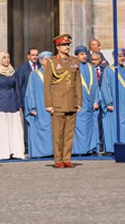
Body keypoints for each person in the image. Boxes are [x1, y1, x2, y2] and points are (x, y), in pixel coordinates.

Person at [44, 34, 81, 168]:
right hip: (58, 102)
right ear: (58, 47)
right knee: (58, 133)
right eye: (64, 45)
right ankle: (58, 159)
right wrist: (48, 104)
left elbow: (78, 82)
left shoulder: (74, 61)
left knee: (69, 133)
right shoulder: (52, 62)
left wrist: (79, 102)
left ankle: (67, 158)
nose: (67, 47)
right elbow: (47, 85)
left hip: (71, 101)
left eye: (68, 45)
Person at [104, 48, 125, 144]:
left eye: (123, 56)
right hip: (116, 103)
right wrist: (108, 102)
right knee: (118, 126)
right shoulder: (109, 70)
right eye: (119, 56)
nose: (122, 58)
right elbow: (105, 87)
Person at [24, 50, 54, 158]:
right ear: (41, 61)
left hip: (53, 106)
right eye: (46, 59)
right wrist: (32, 107)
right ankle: (41, 152)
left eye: (50, 59)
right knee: (41, 129)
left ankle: (53, 151)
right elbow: (30, 91)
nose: (49, 61)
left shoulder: (55, 73)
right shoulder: (34, 74)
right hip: (40, 106)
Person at [73, 45, 100, 155]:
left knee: (90, 127)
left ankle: (90, 148)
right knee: (80, 127)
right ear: (77, 56)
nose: (84, 56)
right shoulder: (74, 67)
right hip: (80, 102)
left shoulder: (90, 67)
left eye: (85, 54)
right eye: (81, 54)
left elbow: (95, 85)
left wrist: (96, 100)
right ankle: (79, 150)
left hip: (90, 101)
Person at [15, 47, 39, 153]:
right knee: (27, 124)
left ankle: (37, 145)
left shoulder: (41, 67)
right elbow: (19, 86)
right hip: (26, 101)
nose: (35, 57)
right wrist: (20, 103)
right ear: (28, 56)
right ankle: (27, 145)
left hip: (39, 101)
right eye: (33, 55)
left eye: (36, 55)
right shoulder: (22, 68)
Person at [93, 52, 116, 153]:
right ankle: (97, 144)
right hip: (95, 99)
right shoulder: (89, 69)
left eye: (96, 60)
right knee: (96, 123)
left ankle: (104, 143)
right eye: (92, 60)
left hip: (104, 99)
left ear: (100, 60)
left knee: (105, 124)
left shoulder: (105, 70)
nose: (94, 62)